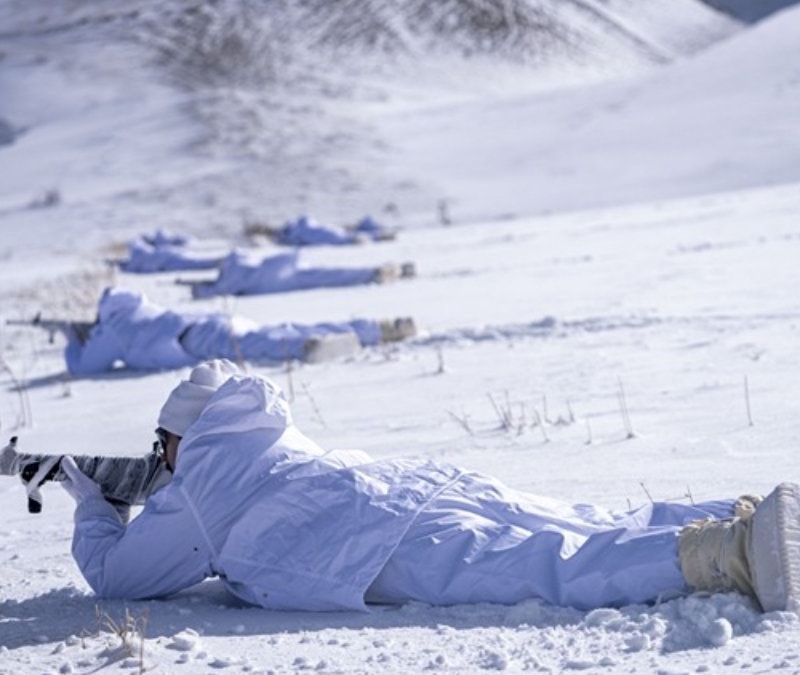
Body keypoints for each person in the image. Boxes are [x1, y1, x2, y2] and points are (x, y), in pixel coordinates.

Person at [59, 360, 800, 613]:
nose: (160, 456)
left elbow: (120, 577)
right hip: (411, 487)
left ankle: (731, 553)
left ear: (186, 433)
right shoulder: (265, 435)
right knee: (582, 518)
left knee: (548, 565)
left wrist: (95, 502)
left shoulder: (202, 483)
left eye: (163, 443)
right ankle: (746, 514)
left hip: (368, 547)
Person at [58, 287, 416, 375]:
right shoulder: (139, 309)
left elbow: (85, 366)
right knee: (273, 331)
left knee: (260, 343)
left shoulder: (113, 327)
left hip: (196, 336)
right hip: (210, 322)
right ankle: (373, 329)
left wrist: (72, 338)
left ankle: (308, 347)